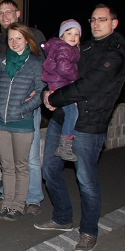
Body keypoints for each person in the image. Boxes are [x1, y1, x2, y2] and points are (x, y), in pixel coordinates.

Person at [36, 4, 125, 251]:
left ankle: (89, 231)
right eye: (93, 19)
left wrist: (55, 98)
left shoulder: (116, 52)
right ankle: (62, 217)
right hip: (62, 119)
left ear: (114, 23)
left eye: (102, 19)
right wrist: (47, 91)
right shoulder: (83, 47)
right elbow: (59, 71)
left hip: (89, 125)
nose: (96, 23)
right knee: (50, 169)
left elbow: (90, 84)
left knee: (86, 181)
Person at [0, 0, 47, 215]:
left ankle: (24, 202)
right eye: (11, 39)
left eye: (18, 39)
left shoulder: (34, 62)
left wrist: (25, 109)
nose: (14, 42)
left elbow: (41, 90)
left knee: (25, 162)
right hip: (1, 119)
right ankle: (7, 201)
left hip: (23, 119)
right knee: (7, 165)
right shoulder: (2, 58)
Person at [42, 19, 82, 161]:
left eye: (76, 34)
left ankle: (65, 143)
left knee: (70, 110)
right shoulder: (64, 48)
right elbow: (63, 68)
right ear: (61, 35)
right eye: (69, 33)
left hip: (58, 83)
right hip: (59, 84)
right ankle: (65, 145)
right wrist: (76, 76)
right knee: (72, 112)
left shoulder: (63, 48)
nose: (73, 36)